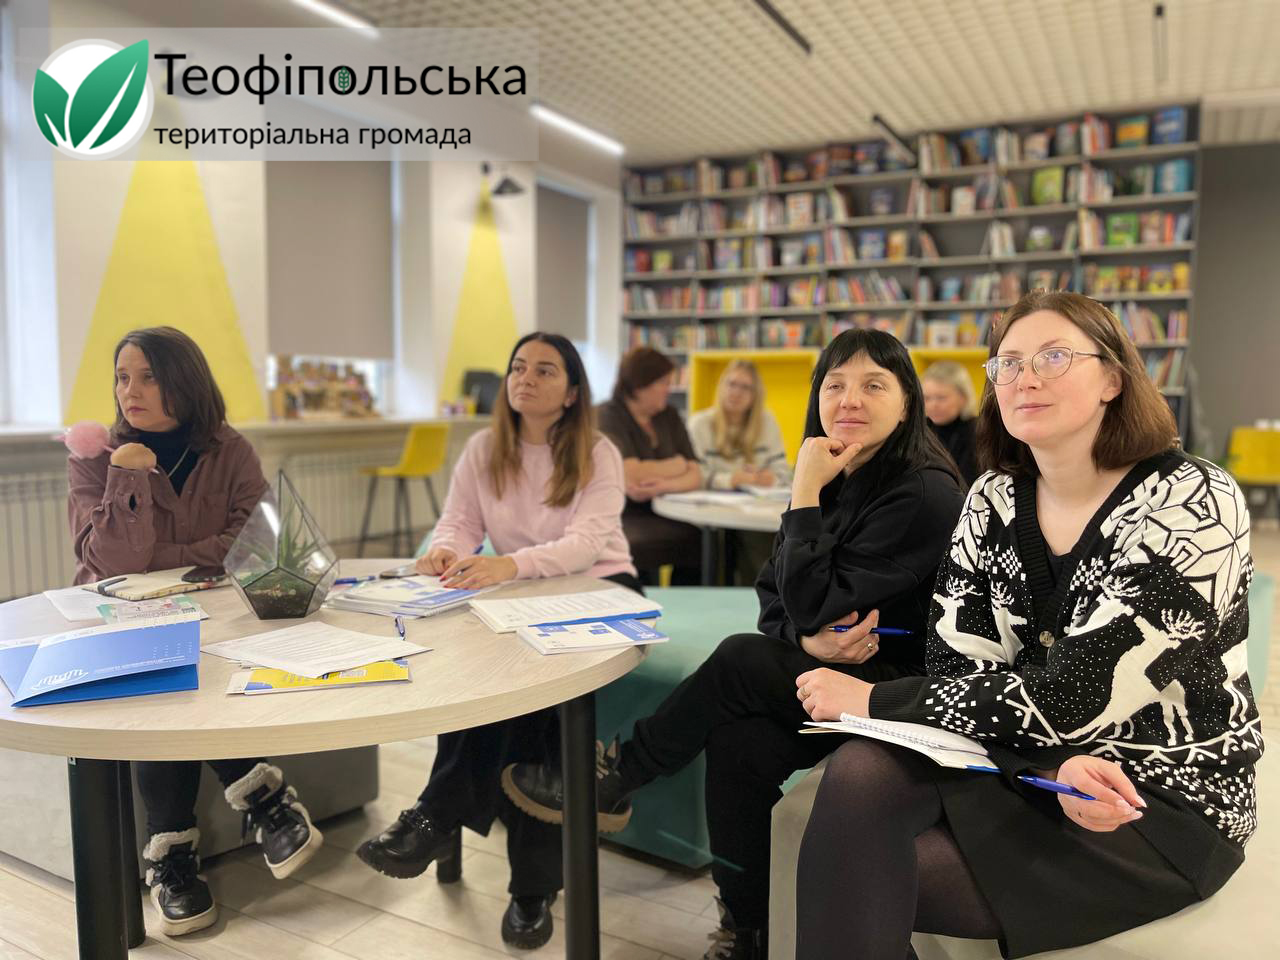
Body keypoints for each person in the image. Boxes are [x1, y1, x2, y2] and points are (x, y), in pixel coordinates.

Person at [793, 291, 1262, 960]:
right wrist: (1042, 760)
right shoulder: (991, 496)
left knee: (854, 872)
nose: (1025, 378)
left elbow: (1078, 694)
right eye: (1008, 363)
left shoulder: (1192, 497)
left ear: (1112, 378)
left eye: (1053, 357)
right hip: (1026, 758)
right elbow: (956, 664)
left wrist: (874, 699)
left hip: (1155, 794)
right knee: (862, 771)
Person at [503, 330, 966, 959]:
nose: (850, 399)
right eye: (835, 384)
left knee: (738, 657)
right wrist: (806, 639)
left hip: (897, 691)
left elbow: (808, 602)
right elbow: (773, 596)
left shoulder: (922, 491)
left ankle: (620, 774)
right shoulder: (838, 470)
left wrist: (803, 498)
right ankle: (749, 933)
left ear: (907, 401)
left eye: (873, 385)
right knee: (736, 742)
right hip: (831, 673)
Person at [355, 332, 641, 950]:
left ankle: (438, 816)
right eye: (517, 367)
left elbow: (586, 544)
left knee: (540, 691)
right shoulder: (484, 448)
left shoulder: (599, 452)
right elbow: (460, 521)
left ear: (572, 393)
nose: (525, 378)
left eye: (544, 370)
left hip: (599, 587)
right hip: (521, 589)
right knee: (486, 679)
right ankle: (532, 889)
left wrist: (508, 565)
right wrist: (446, 550)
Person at [67, 327, 322, 938]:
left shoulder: (230, 449)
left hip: (215, 610)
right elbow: (113, 563)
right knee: (165, 674)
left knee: (207, 658)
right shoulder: (94, 457)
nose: (130, 391)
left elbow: (256, 541)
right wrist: (126, 478)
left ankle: (197, 842)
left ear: (185, 381)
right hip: (119, 620)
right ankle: (242, 811)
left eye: (148, 376)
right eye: (122, 377)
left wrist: (165, 556)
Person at [597, 346, 704, 584]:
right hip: (624, 515)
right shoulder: (608, 416)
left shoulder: (669, 415)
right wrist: (678, 465)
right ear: (640, 385)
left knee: (703, 541)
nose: (669, 389)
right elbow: (629, 474)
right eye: (663, 382)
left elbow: (696, 474)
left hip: (666, 510)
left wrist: (662, 486)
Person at [688, 359, 792, 584]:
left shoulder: (767, 422)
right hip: (710, 512)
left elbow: (784, 471)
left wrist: (770, 478)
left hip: (755, 508)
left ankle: (763, 591)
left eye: (745, 387)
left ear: (755, 395)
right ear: (721, 387)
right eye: (731, 384)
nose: (736, 392)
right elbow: (694, 474)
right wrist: (732, 480)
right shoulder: (699, 424)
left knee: (768, 539)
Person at [921, 360, 979, 485]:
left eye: (941, 398)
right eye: (927, 398)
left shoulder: (978, 431)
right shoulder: (919, 430)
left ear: (963, 398)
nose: (933, 405)